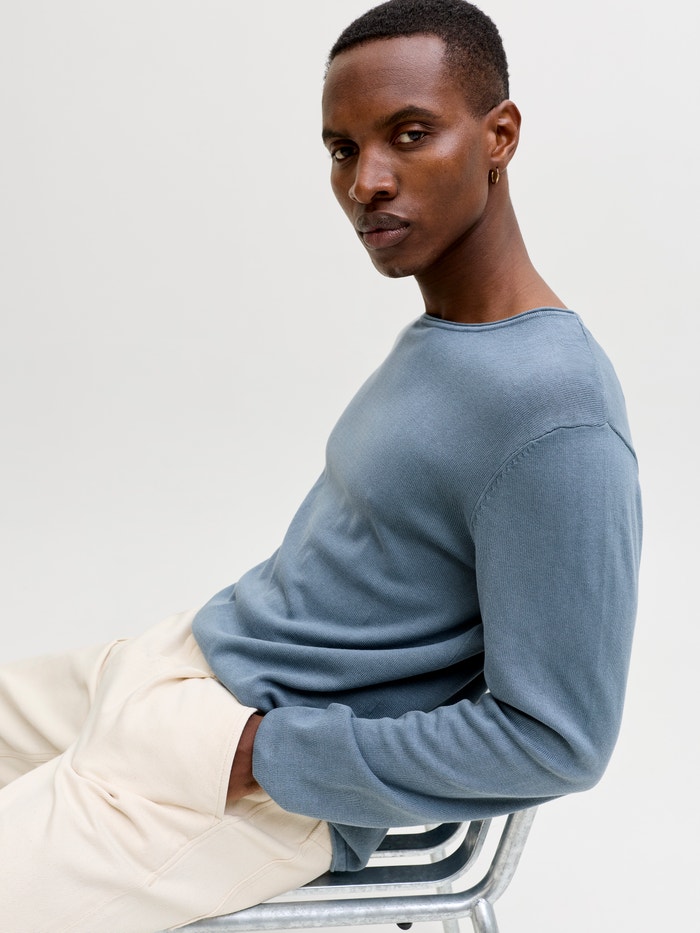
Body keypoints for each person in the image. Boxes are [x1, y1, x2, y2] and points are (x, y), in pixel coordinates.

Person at [0, 1, 642, 930]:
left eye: (409, 134)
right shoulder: (451, 338)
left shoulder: (555, 411)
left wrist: (260, 753)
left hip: (243, 780)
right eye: (344, 149)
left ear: (499, 135)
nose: (366, 182)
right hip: (171, 665)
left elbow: (557, 740)